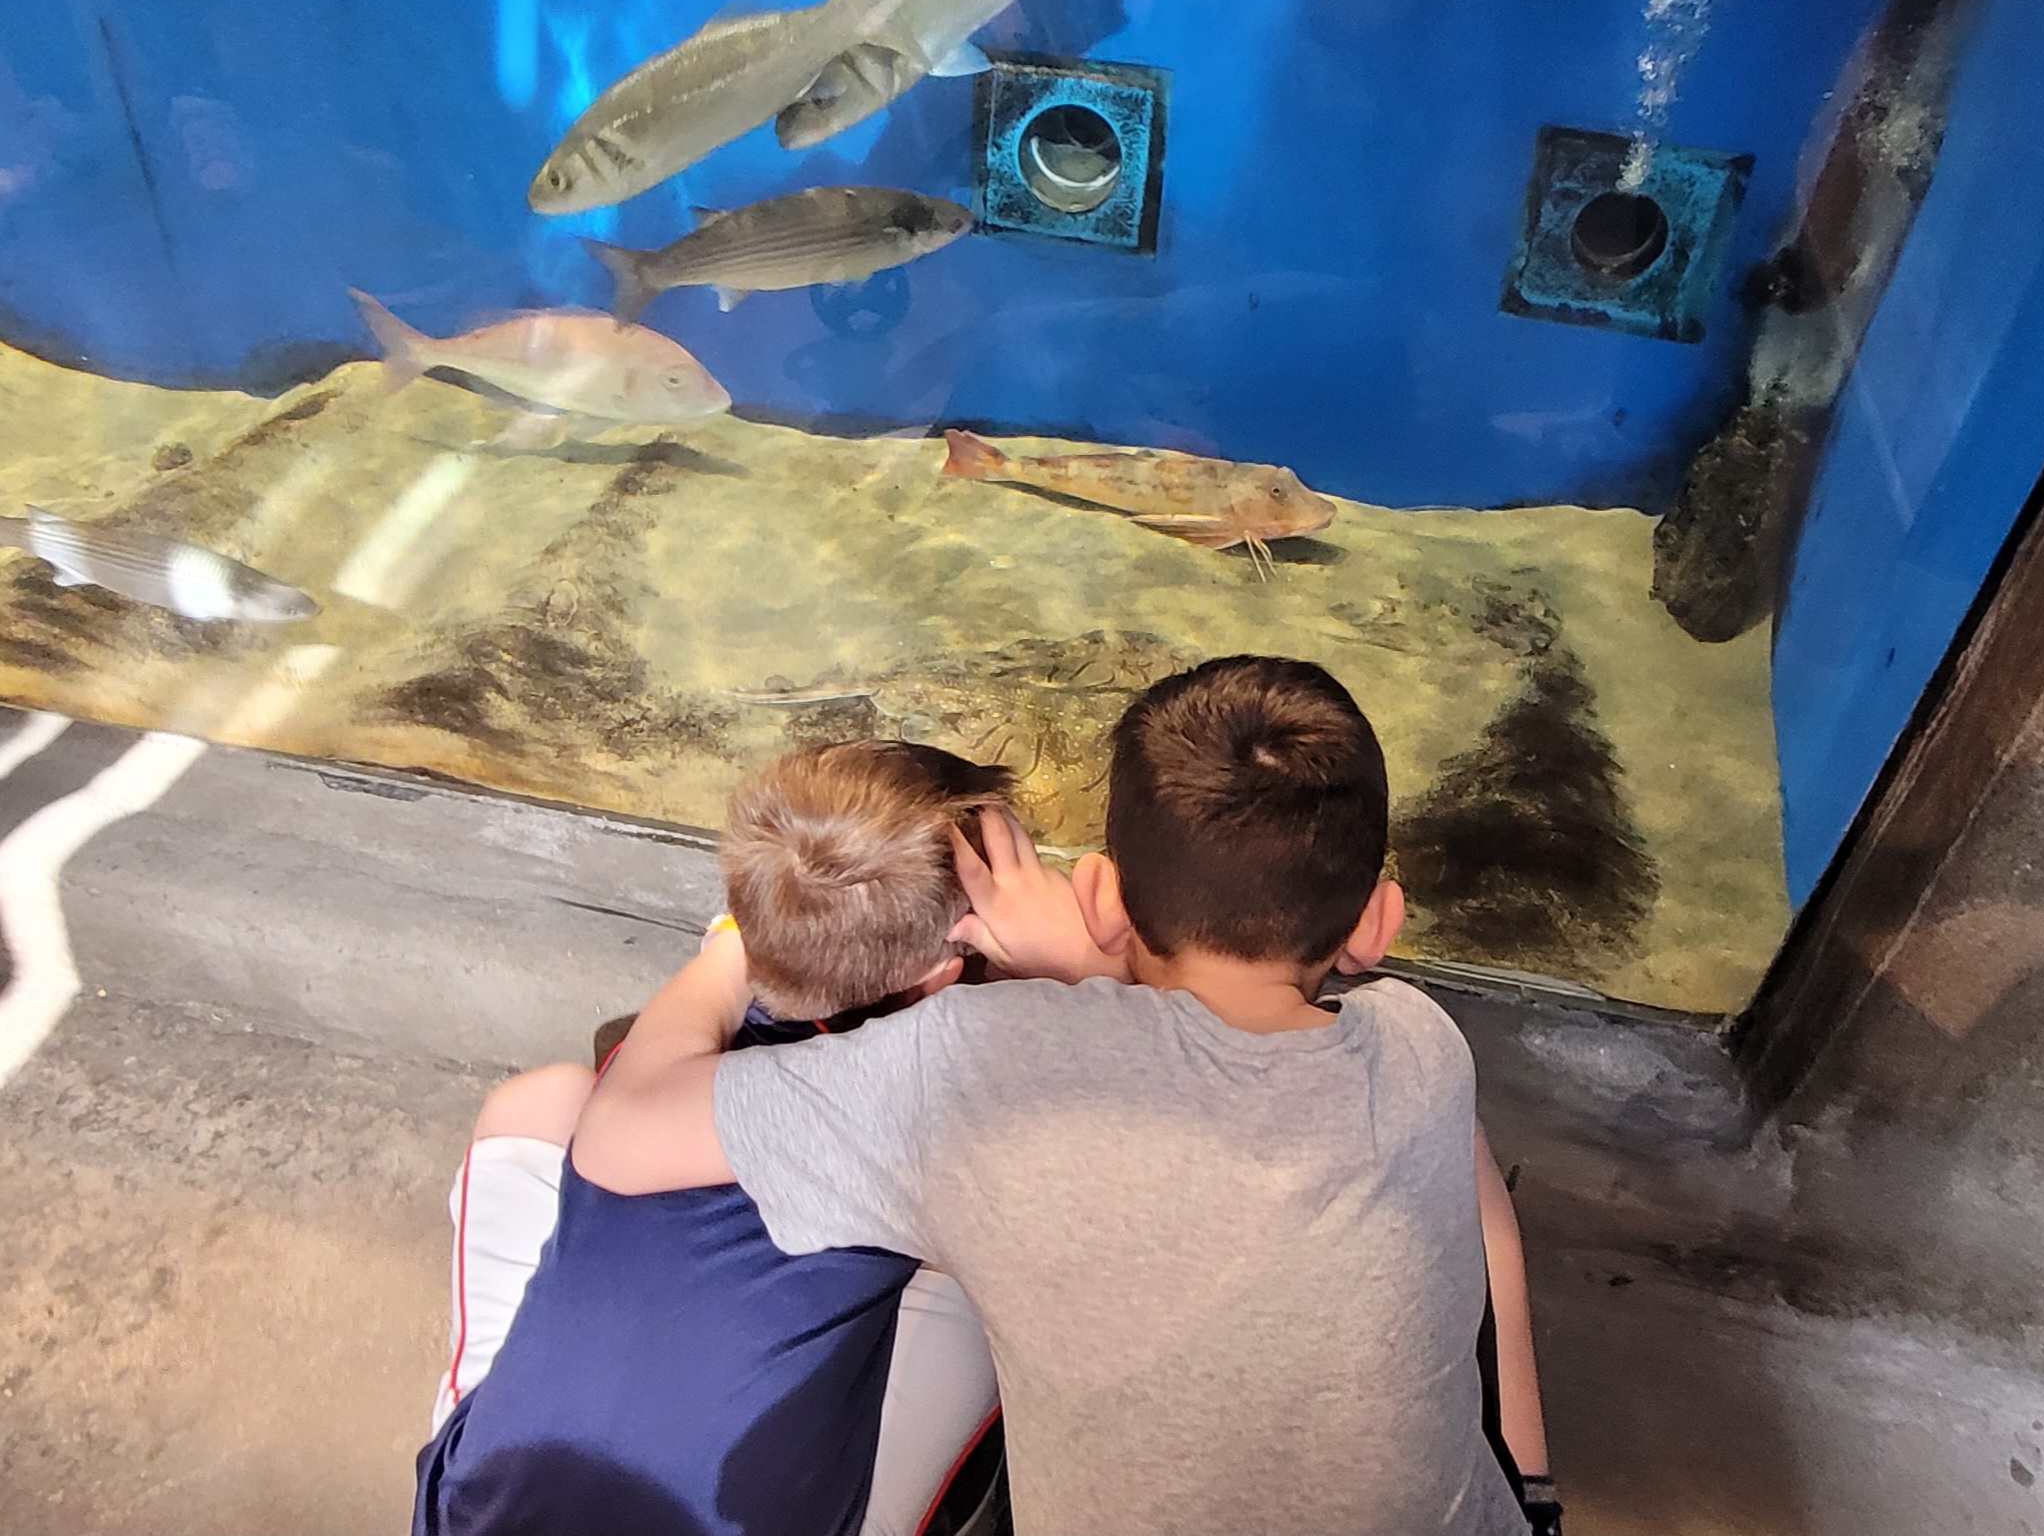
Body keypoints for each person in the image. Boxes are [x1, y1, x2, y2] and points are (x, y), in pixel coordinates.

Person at [574, 655, 1559, 1536]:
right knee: (1465, 1163)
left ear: (1100, 897)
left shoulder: (973, 1067)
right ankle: (1534, 1497)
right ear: (1377, 925)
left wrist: (732, 948)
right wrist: (1099, 974)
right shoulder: (1423, 1047)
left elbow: (616, 1137)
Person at [415, 741, 1012, 1536]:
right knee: (984, 1280)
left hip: (481, 1512)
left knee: (541, 1102)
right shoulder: (930, 1102)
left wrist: (749, 935)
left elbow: (678, 1037)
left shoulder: (645, 1080)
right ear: (940, 973)